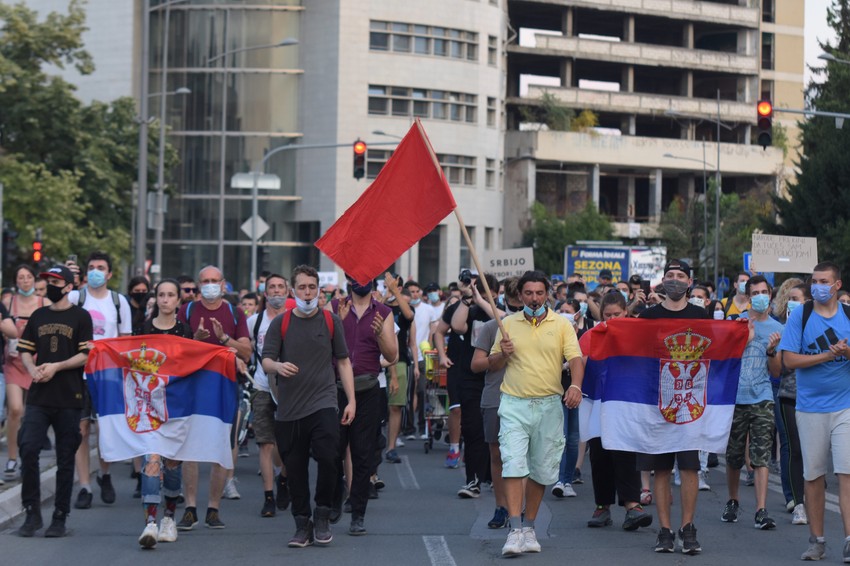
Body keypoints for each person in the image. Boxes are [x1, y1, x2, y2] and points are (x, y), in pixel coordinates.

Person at [489, 270, 584, 556]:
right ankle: (515, 530)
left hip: (548, 406)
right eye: (528, 293)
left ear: (547, 295)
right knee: (513, 464)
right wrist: (502, 354)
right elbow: (491, 365)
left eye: (539, 293)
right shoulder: (506, 324)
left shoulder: (562, 325)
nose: (534, 298)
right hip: (514, 404)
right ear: (520, 295)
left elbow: (576, 358)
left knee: (542, 471)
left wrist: (576, 386)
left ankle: (529, 527)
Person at [263, 265, 355, 547]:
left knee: (329, 457)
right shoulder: (282, 323)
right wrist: (278, 365)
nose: (307, 293)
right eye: (302, 287)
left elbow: (342, 361)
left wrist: (351, 400)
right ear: (293, 290)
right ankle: (302, 523)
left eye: (311, 287)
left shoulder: (330, 321)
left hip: (324, 401)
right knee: (296, 468)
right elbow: (266, 360)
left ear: (319, 290)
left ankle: (323, 513)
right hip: (290, 408)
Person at [778, 262, 850, 561]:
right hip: (809, 408)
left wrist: (847, 353)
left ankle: (849, 539)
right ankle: (817, 540)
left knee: (846, 473)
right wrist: (826, 355)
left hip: (845, 406)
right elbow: (789, 361)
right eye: (814, 281)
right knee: (814, 476)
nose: (818, 286)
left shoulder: (849, 316)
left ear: (837, 285)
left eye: (824, 281)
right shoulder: (801, 316)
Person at [638, 259, 710, 555]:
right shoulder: (648, 316)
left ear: (689, 283)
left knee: (690, 467)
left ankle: (688, 528)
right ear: (662, 280)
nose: (675, 280)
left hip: (691, 402)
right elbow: (636, 353)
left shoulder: (700, 315)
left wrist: (744, 335)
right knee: (662, 468)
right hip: (659, 402)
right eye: (670, 275)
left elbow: (716, 350)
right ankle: (665, 530)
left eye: (681, 276)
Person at [16, 265, 92, 538]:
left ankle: (60, 515)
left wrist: (57, 367)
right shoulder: (38, 315)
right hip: (39, 396)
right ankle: (31, 512)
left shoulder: (81, 317)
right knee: (28, 448)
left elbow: (85, 356)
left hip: (69, 397)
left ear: (69, 287)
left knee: (65, 457)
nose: (50, 285)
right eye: (48, 280)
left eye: (56, 281)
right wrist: (31, 369)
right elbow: (25, 350)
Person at [176, 265, 251, 530]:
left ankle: (213, 509)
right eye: (205, 281)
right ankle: (190, 508)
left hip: (224, 387)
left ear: (223, 284)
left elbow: (247, 351)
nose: (209, 285)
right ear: (198, 285)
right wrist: (194, 339)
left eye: (214, 281)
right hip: (192, 387)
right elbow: (176, 351)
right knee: (189, 448)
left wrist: (225, 338)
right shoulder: (186, 311)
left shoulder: (234, 312)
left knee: (221, 446)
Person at [330, 274, 397, 536]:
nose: (362, 281)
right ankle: (332, 500)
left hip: (368, 389)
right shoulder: (335, 308)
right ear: (348, 279)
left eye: (367, 277)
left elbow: (392, 356)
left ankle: (358, 512)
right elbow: (323, 347)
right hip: (336, 390)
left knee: (362, 454)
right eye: (356, 276)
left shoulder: (383, 312)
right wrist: (341, 323)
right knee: (333, 452)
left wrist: (381, 335)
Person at [580, 292, 653, 531]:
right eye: (607, 315)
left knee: (625, 451)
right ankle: (602, 506)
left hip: (625, 403)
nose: (612, 319)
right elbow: (579, 363)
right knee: (599, 453)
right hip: (598, 403)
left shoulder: (638, 335)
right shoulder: (591, 335)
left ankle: (632, 505)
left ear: (626, 312)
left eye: (617, 314)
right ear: (601, 315)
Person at [70, 251, 132, 510]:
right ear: (86, 272)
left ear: (109, 274)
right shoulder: (75, 298)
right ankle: (84, 485)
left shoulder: (119, 302)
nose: (96, 271)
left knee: (104, 430)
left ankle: (104, 474)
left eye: (101, 267)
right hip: (77, 374)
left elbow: (125, 341)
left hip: (107, 377)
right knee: (80, 431)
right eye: (92, 267)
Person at [720, 275, 782, 530]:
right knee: (734, 456)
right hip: (734, 398)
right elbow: (724, 360)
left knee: (761, 456)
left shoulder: (780, 328)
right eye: (754, 291)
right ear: (747, 295)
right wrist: (745, 337)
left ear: (770, 293)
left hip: (762, 397)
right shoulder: (734, 323)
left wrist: (771, 351)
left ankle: (761, 509)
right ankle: (733, 500)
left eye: (763, 291)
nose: (760, 296)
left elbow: (777, 372)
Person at [135, 279, 192, 549]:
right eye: (161, 295)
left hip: (177, 407)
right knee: (151, 461)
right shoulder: (143, 329)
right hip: (149, 407)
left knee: (171, 465)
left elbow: (194, 365)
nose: (166, 299)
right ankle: (150, 522)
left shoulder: (185, 331)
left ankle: (169, 517)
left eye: (171, 295)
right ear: (156, 299)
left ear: (178, 301)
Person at [471, 276, 522, 529]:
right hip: (496, 397)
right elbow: (476, 364)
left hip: (528, 397)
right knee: (498, 455)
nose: (517, 307)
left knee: (524, 457)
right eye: (512, 302)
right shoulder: (493, 327)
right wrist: (501, 354)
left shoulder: (544, 325)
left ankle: (520, 508)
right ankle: (501, 507)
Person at [449, 273, 500, 498]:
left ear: (496, 294)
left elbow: (503, 323)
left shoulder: (503, 312)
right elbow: (457, 326)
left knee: (495, 431)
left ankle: (492, 474)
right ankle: (473, 480)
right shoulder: (471, 310)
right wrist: (467, 298)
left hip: (498, 378)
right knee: (472, 429)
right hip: (472, 377)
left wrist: (483, 300)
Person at [246, 274, 291, 518]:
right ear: (265, 293)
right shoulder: (255, 321)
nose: (276, 291)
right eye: (271, 287)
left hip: (291, 390)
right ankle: (268, 496)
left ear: (288, 291)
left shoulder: (296, 319)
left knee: (289, 444)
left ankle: (283, 478)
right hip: (262, 388)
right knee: (265, 443)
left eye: (280, 287)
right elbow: (247, 349)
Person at [3, 265, 49, 481]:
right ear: (16, 281)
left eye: (28, 277)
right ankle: (11, 457)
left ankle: (28, 457)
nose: (25, 281)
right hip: (13, 362)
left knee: (33, 414)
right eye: (20, 277)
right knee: (15, 409)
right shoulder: (8, 302)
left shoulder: (44, 303)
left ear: (34, 279)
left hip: (36, 365)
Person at [775, 282, 809, 526]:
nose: (791, 303)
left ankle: (812, 495)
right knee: (794, 449)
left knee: (813, 453)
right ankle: (797, 502)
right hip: (789, 395)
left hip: (819, 399)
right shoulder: (786, 328)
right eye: (790, 299)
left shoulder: (824, 325)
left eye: (796, 298)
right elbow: (780, 368)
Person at [383, 273, 416, 464]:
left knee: (395, 405)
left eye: (396, 285)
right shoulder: (380, 304)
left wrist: (395, 291)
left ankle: (391, 447)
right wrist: (386, 294)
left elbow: (409, 316)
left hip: (400, 360)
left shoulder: (405, 307)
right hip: (377, 362)